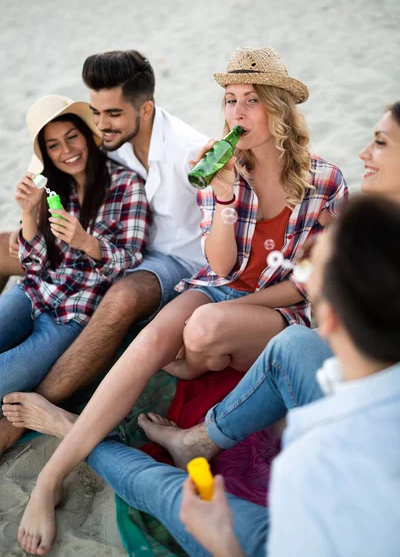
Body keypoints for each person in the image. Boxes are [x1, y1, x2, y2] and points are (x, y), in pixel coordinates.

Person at [5, 45, 347, 555]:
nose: (236, 113)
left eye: (250, 100)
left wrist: (224, 313)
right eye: (229, 100)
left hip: (279, 306)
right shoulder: (217, 166)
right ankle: (53, 475)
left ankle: (200, 354)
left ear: (278, 108)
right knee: (152, 340)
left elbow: (308, 281)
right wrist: (228, 198)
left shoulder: (325, 180)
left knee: (204, 328)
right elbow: (224, 268)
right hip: (221, 284)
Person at [13, 194, 400, 556]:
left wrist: (223, 544)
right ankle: (198, 440)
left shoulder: (311, 464)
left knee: (172, 494)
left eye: (314, 278)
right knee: (294, 343)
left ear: (329, 319)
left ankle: (71, 429)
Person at [0, 50, 207, 456]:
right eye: (95, 112)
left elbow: (238, 204)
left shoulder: (188, 152)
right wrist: (29, 214)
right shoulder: (107, 139)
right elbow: (53, 148)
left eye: (111, 113)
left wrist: (85, 242)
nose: (101, 124)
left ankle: (33, 407)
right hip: (57, 278)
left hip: (173, 260)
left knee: (122, 297)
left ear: (144, 109)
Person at [0, 94, 148, 407]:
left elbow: (131, 260)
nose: (66, 151)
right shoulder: (52, 188)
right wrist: (29, 213)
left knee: (5, 378)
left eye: (72, 138)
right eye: (54, 145)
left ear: (87, 136)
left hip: (74, 313)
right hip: (33, 292)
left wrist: (87, 243)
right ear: (46, 154)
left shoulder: (126, 185)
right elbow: (33, 264)